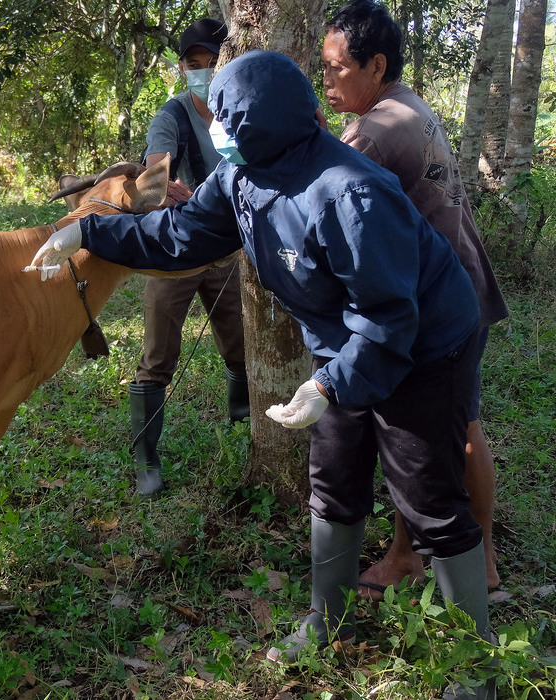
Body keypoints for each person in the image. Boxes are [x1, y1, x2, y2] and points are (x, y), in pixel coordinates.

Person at [29, 50, 495, 699]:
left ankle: (477, 667)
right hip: (342, 346)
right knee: (332, 481)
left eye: (224, 114)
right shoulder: (243, 172)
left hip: (421, 348)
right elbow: (180, 233)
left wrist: (329, 385)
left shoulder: (348, 191)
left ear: (255, 120)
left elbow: (390, 316)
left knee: (429, 499)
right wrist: (88, 233)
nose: (213, 125)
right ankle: (325, 619)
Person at [321, 0, 508, 602]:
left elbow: (321, 197)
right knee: (458, 425)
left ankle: (420, 557)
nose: (327, 80)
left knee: (426, 435)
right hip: (465, 288)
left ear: (376, 65)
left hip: (435, 306)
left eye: (337, 68)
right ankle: (480, 560)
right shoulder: (409, 104)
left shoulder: (372, 133)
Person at [130, 18, 248, 497]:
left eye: (211, 62)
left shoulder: (238, 112)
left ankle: (242, 425)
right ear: (181, 68)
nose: (202, 71)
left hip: (229, 251)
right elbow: (153, 172)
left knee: (241, 346)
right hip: (175, 252)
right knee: (157, 356)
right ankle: (146, 461)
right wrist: (159, 184)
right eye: (193, 63)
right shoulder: (172, 115)